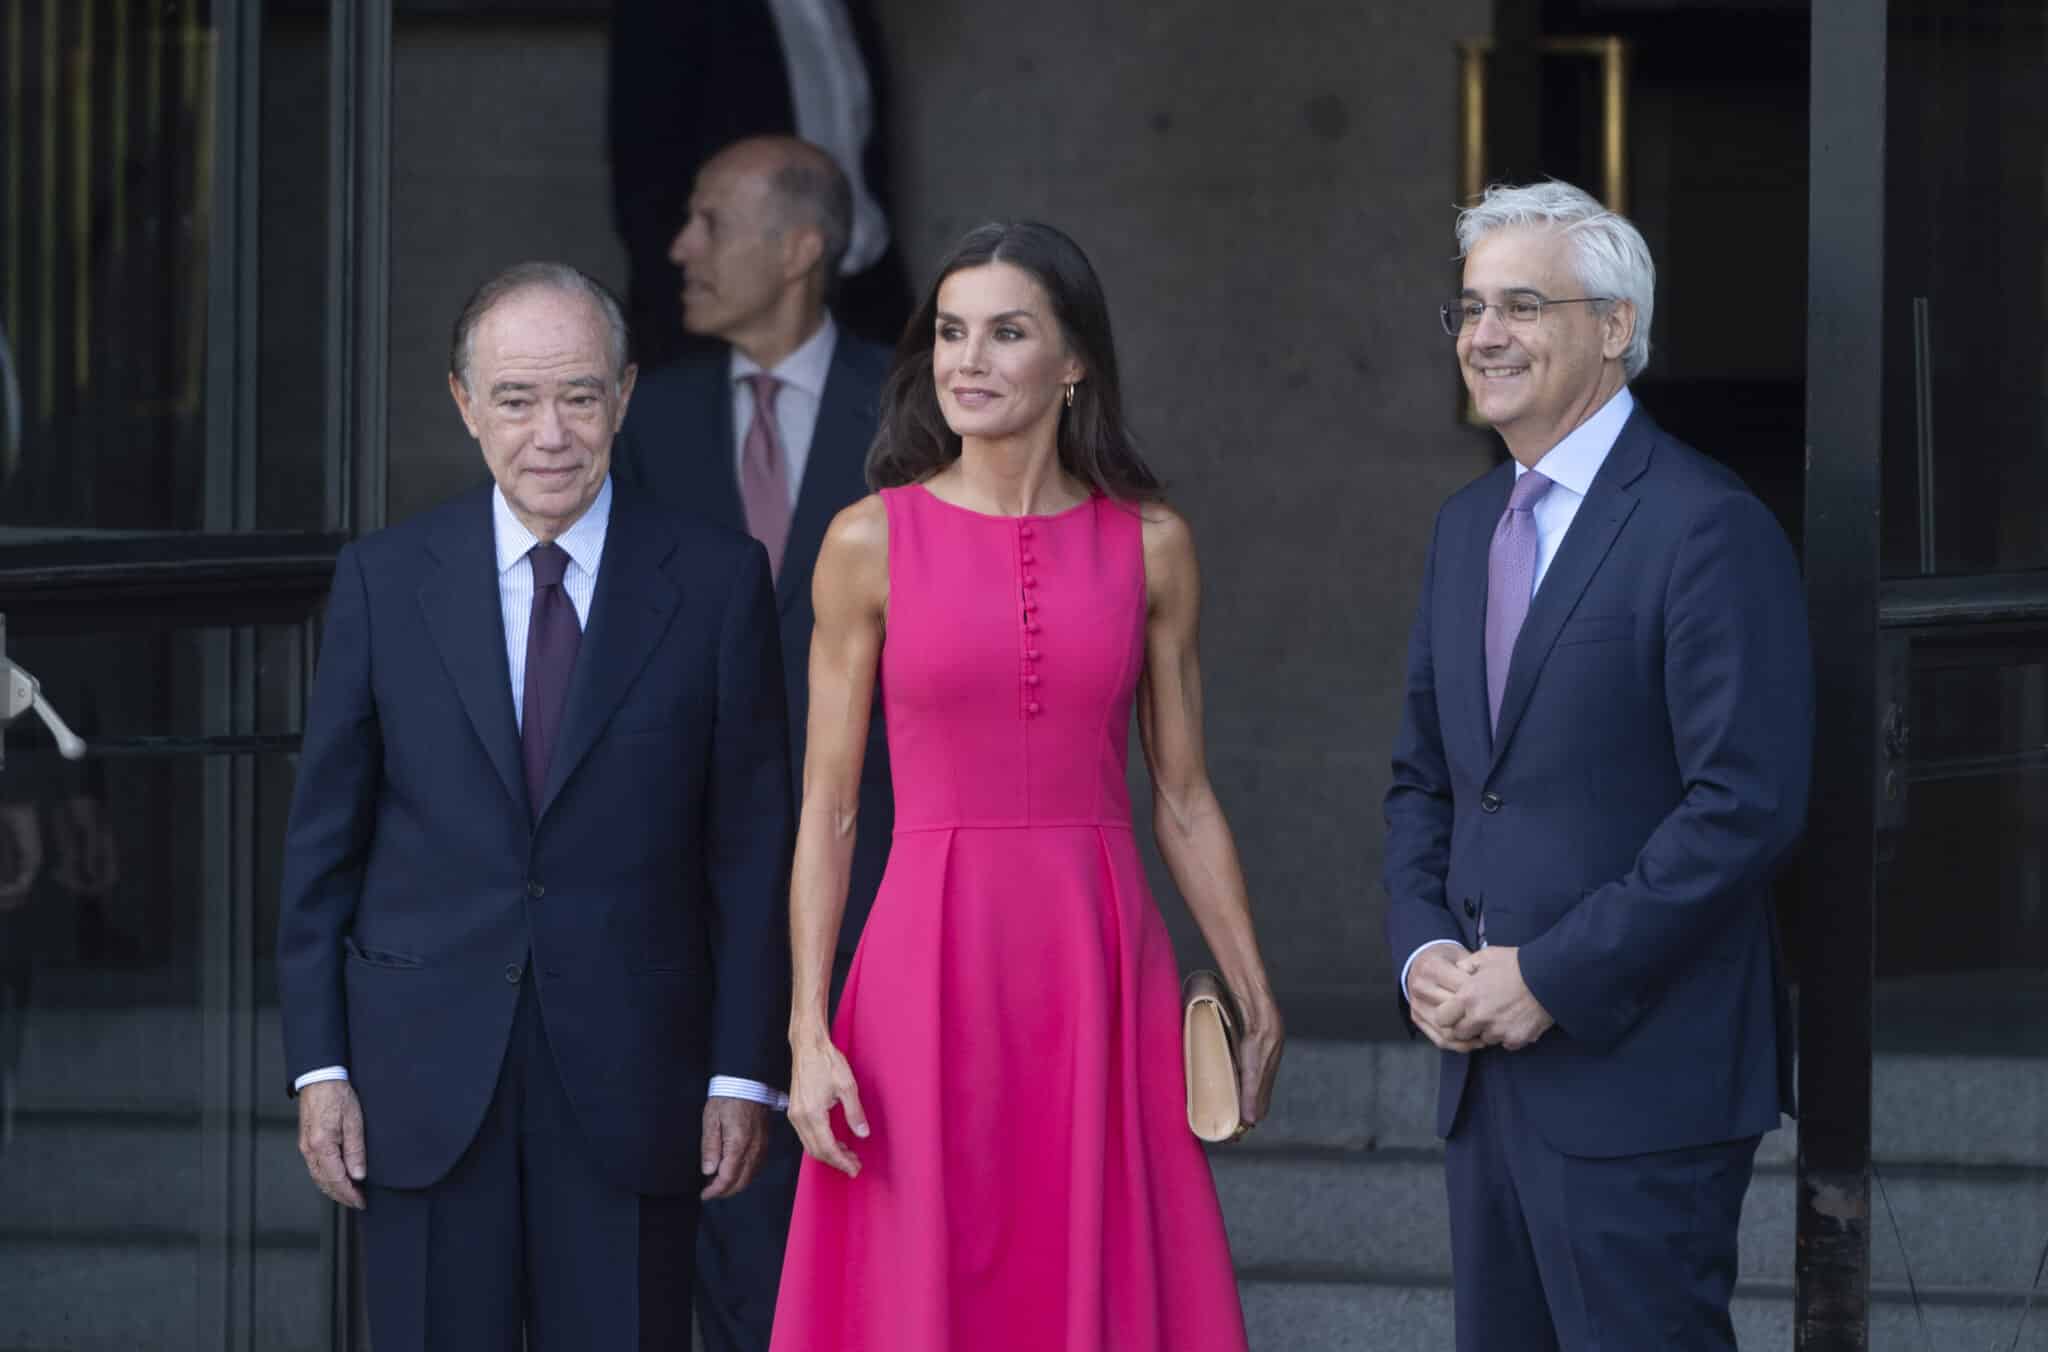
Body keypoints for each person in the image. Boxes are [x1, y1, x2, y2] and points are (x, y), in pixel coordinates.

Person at [768, 221, 1283, 1352]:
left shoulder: (1151, 544)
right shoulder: (866, 541)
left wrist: (1251, 983)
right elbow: (831, 804)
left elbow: (1183, 795)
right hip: (921, 959)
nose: (969, 360)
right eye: (951, 332)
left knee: (1096, 1275)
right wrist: (806, 1027)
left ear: (1073, 362)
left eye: (1006, 332)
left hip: (1098, 957)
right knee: (924, 1277)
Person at [276, 262, 793, 1350]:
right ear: (464, 405)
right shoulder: (383, 579)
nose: (549, 431)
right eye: (515, 397)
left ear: (625, 395)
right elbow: (325, 843)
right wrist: (320, 1063)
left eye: (579, 394)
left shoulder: (714, 580)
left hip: (638, 1078)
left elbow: (748, 852)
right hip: (419, 1080)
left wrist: (743, 1066)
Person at [1383, 181, 1812, 1350]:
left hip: (1640, 1078)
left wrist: (1549, 974)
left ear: (1613, 327)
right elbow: (1427, 776)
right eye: (1469, 307)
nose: (1483, 335)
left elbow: (1745, 805)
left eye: (1521, 304)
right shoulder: (1465, 524)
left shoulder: (1701, 522)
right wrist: (1423, 946)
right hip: (1482, 1080)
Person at [613, 134, 892, 1352]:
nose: (679, 246)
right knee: (717, 1203)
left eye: (708, 220)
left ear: (799, 249)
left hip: (881, 871)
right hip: (682, 885)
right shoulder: (641, 415)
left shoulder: (912, 406)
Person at [607, 0, 910, 366]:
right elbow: (645, 171)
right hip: (730, 308)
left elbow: (861, 145)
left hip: (864, 286)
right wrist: (690, 304)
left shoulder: (850, 9)